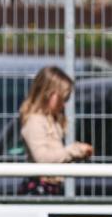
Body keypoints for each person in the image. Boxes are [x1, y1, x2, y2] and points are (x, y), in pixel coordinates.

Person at [18, 66, 93, 195]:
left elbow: (55, 155)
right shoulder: (34, 121)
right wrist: (72, 151)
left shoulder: (51, 120)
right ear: (48, 93)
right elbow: (42, 158)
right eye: (62, 98)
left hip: (52, 186)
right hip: (39, 189)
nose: (64, 104)